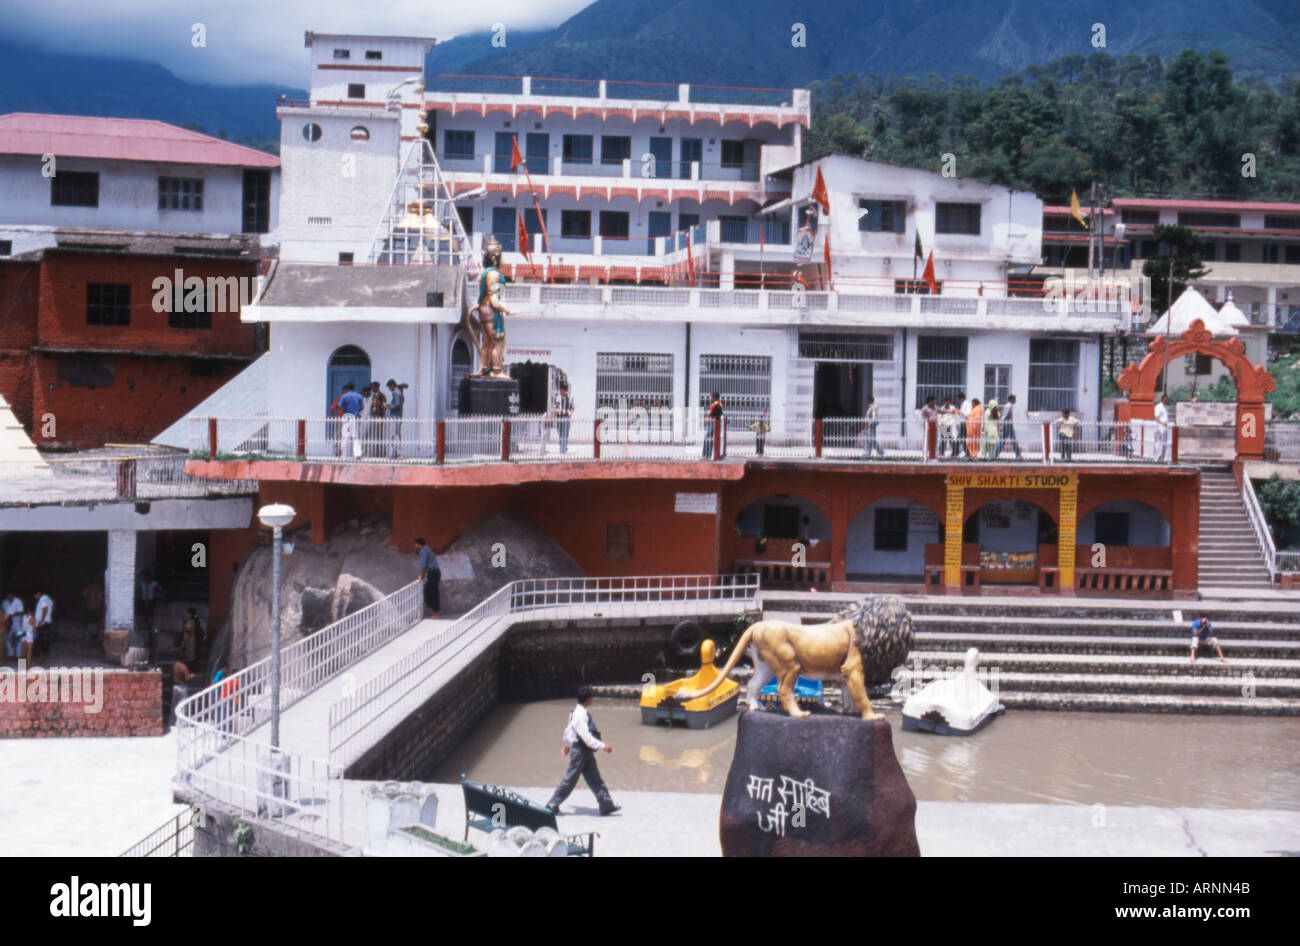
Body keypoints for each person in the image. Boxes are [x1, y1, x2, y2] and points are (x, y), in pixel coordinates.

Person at [546, 685, 620, 817]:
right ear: (588, 700)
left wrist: (567, 745)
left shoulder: (576, 712)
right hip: (581, 751)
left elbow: (569, 731)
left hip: (584, 751)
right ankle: (552, 805)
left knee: (595, 778)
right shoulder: (580, 715)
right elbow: (586, 737)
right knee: (570, 780)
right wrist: (603, 746)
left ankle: (606, 805)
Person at [414, 537, 441, 619]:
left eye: (415, 545)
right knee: (431, 591)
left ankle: (436, 613)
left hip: (433, 573)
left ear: (419, 545)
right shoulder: (426, 549)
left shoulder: (423, 551)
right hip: (434, 573)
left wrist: (419, 576)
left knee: (431, 592)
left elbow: (422, 564)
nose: (414, 547)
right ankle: (435, 612)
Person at [338, 382, 364, 459]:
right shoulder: (359, 396)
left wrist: (344, 412)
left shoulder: (344, 396)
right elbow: (362, 407)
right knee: (355, 436)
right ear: (354, 387)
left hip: (347, 417)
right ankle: (357, 454)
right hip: (355, 418)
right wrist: (357, 410)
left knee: (345, 436)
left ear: (348, 388)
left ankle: (344, 455)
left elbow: (340, 407)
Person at [996, 394, 1023, 461]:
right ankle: (1018, 455)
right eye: (1015, 399)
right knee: (1011, 440)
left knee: (1006, 441)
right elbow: (1004, 416)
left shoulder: (1010, 406)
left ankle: (996, 454)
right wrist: (1002, 425)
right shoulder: (1008, 406)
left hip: (1008, 424)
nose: (1015, 400)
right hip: (1007, 425)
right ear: (1012, 399)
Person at [386, 379, 407, 459]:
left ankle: (399, 453)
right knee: (395, 435)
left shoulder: (396, 392)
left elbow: (397, 405)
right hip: (397, 416)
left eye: (389, 387)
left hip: (395, 416)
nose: (389, 389)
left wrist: (388, 407)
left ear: (392, 385)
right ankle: (392, 454)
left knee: (394, 435)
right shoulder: (398, 392)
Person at [551, 380, 574, 454]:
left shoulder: (570, 398)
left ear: (566, 391)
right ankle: (562, 445)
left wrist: (570, 412)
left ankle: (563, 450)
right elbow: (555, 407)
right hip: (559, 417)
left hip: (566, 417)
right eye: (561, 390)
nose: (562, 391)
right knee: (560, 433)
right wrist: (556, 410)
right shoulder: (557, 398)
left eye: (563, 390)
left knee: (565, 433)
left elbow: (572, 407)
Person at [180, 608, 204, 673]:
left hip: (190, 642)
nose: (186, 614)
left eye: (187, 613)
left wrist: (183, 644)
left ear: (190, 614)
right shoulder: (195, 621)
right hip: (194, 641)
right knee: (193, 657)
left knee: (190, 657)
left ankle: (189, 671)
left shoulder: (189, 622)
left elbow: (187, 634)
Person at [33, 588, 53, 662]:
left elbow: (45, 609)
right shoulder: (49, 599)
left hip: (42, 624)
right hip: (47, 622)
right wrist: (49, 615)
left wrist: (41, 620)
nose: (35, 597)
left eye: (35, 595)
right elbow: (52, 606)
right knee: (45, 641)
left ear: (38, 593)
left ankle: (35, 660)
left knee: (39, 641)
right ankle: (44, 659)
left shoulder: (42, 600)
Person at [3, 591, 24, 660]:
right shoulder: (4, 602)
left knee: (18, 639)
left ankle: (18, 656)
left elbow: (20, 612)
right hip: (7, 624)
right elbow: (3, 611)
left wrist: (11, 615)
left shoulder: (18, 601)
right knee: (8, 639)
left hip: (17, 623)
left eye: (10, 596)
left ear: (12, 595)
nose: (9, 597)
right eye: (8, 596)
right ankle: (11, 654)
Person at [703, 392, 723, 460]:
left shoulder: (716, 404)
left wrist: (710, 417)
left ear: (715, 398)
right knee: (710, 438)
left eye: (712, 397)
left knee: (707, 437)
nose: (711, 398)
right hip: (714, 422)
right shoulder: (718, 404)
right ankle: (707, 455)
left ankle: (706, 455)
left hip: (713, 422)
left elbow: (714, 413)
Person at [1154, 393, 1171, 461]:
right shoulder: (1158, 407)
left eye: (1167, 400)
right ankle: (1156, 458)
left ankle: (1162, 457)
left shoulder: (1165, 407)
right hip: (1159, 427)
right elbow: (1156, 417)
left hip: (1165, 428)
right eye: (1165, 400)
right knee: (1158, 443)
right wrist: (1162, 422)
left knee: (1164, 443)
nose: (1166, 401)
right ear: (1162, 399)